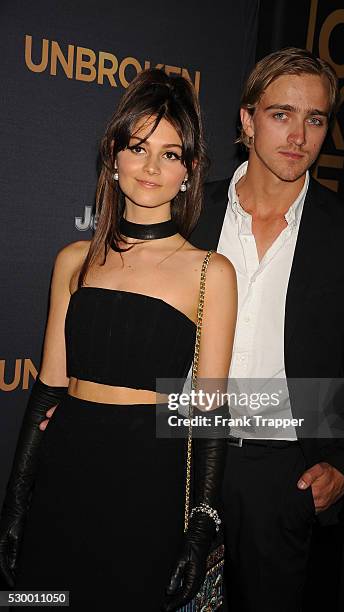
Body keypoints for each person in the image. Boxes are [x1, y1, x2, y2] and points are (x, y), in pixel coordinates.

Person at [0, 69, 237, 610]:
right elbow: (48, 390)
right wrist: (15, 502)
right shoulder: (72, 260)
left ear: (190, 171)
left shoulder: (210, 272)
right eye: (138, 146)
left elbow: (210, 412)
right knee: (44, 599)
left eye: (171, 153)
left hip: (148, 475)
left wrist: (201, 522)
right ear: (113, 155)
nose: (152, 167)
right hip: (66, 465)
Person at [189, 48, 344, 611]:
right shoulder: (188, 214)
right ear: (247, 120)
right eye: (282, 114)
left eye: (316, 119)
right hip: (178, 454)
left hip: (283, 475)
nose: (299, 135)